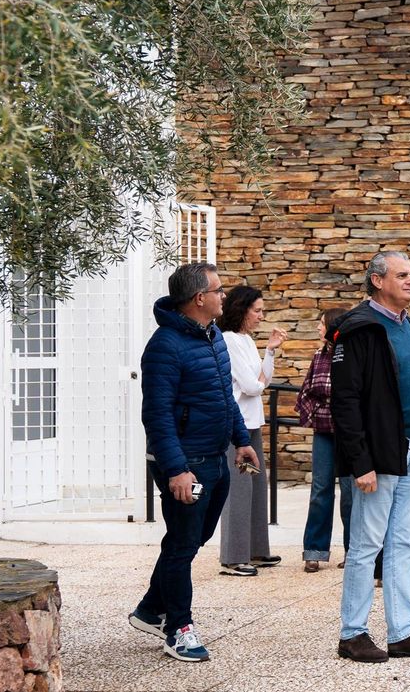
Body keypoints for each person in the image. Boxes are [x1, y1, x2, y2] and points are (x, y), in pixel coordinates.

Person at [132, 262, 257, 661]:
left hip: (214, 455)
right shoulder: (164, 346)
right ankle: (179, 628)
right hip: (184, 463)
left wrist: (240, 440)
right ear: (199, 298)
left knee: (191, 540)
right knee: (183, 544)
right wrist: (176, 470)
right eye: (218, 290)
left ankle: (152, 608)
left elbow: (224, 396)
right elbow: (157, 415)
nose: (225, 296)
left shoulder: (213, 336)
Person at [331, 251, 410, 663]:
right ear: (378, 281)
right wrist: (360, 462)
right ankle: (353, 633)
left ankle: (402, 632)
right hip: (379, 455)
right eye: (402, 275)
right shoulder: (358, 328)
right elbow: (344, 401)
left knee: (404, 542)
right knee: (366, 545)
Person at [216, 285, 283, 576]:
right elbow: (252, 385)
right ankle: (233, 557)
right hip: (237, 425)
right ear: (242, 310)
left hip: (252, 423)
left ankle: (256, 551)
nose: (261, 316)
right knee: (239, 490)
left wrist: (269, 351)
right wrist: (258, 380)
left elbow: (263, 378)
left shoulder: (245, 340)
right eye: (257, 310)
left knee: (256, 487)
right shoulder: (229, 340)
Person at [298, 307, 351, 573]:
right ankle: (314, 551)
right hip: (324, 431)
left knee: (351, 494)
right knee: (320, 491)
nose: (318, 328)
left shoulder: (352, 354)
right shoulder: (319, 355)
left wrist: (332, 401)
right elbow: (308, 390)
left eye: (321, 324)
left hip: (350, 431)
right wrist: (323, 407)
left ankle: (354, 551)